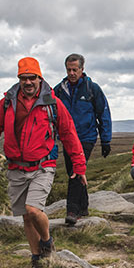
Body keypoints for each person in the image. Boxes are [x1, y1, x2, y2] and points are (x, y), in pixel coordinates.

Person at [0, 57, 87, 268]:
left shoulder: (52, 103)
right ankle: (37, 259)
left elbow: (68, 133)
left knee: (33, 210)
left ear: (40, 77)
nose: (28, 82)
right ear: (19, 79)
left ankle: (47, 241)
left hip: (43, 164)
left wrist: (79, 165)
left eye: (32, 78)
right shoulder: (8, 101)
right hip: (16, 166)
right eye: (23, 78)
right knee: (26, 217)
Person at [53, 53, 112, 225]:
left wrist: (106, 140)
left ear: (82, 69)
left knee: (75, 171)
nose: (71, 73)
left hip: (86, 137)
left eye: (75, 69)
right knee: (74, 169)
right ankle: (84, 206)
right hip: (67, 137)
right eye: (69, 69)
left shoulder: (92, 89)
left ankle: (72, 210)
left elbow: (104, 114)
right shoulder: (58, 90)